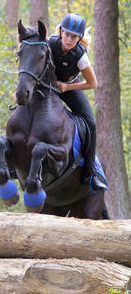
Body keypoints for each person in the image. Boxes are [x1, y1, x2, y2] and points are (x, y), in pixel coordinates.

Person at [48, 13, 108, 193]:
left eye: (74, 36)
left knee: (90, 124)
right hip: (47, 86)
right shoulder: (49, 43)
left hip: (69, 89)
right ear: (60, 32)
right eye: (66, 34)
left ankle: (90, 173)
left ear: (79, 37)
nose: (69, 39)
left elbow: (93, 83)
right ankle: (11, 162)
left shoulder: (80, 55)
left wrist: (66, 87)